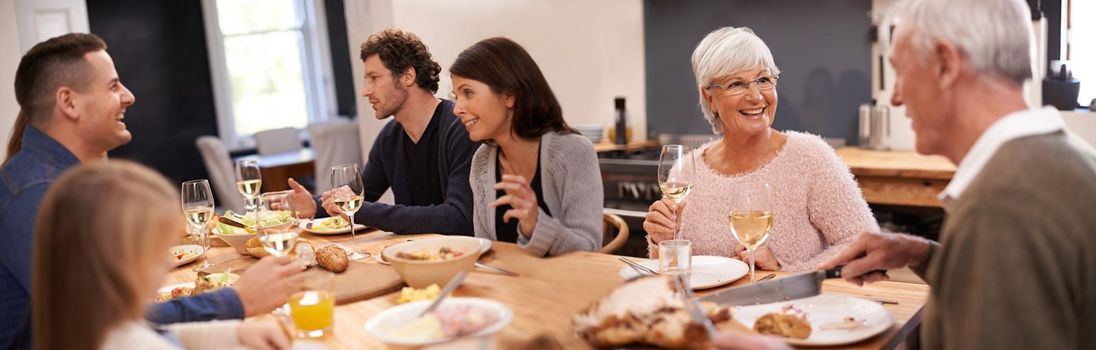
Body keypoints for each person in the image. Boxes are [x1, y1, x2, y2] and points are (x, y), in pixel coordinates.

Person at [818, 0, 1096, 348]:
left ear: (946, 65)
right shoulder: (1067, 161)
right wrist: (924, 255)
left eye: (901, 72)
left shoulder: (1001, 204)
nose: (898, 97)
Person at [0, 33, 300, 349]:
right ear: (68, 102)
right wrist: (235, 300)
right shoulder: (37, 194)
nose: (128, 96)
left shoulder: (61, 180)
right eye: (113, 86)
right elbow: (104, 322)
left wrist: (231, 331)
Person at [642, 27, 878, 271]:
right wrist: (663, 241)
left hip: (787, 307)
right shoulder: (686, 171)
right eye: (737, 84)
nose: (756, 97)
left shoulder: (810, 157)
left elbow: (866, 246)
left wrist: (786, 270)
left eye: (764, 80)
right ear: (709, 97)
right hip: (709, 309)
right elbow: (672, 272)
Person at [33, 161, 289, 350]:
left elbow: (162, 333)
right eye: (159, 251)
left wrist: (237, 332)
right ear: (121, 264)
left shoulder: (89, 324)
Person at [283, 28, 479, 235]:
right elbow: (360, 194)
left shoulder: (460, 128)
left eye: (374, 78)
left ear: (407, 76)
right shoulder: (390, 138)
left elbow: (458, 218)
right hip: (412, 256)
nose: (366, 91)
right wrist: (314, 206)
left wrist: (362, 210)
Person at [449, 37, 603, 257]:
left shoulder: (574, 152)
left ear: (509, 96)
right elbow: (485, 249)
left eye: (468, 93)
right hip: (507, 288)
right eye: (455, 96)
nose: (457, 109)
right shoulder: (481, 161)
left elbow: (589, 248)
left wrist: (536, 224)